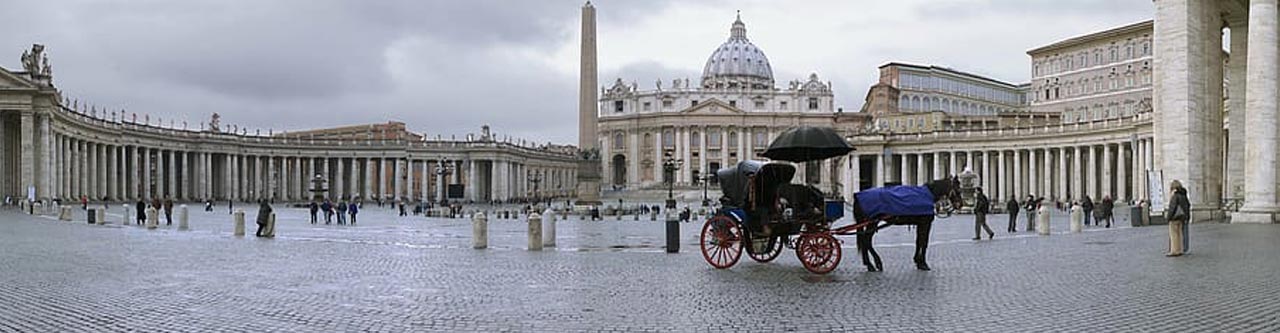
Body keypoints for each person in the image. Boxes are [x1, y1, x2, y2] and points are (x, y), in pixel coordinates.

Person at [1164, 180, 1190, 257]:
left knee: (1174, 234)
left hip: (1174, 217)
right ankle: (1181, 249)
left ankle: (1174, 250)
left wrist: (1168, 217)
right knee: (1180, 234)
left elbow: (1172, 207)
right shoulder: (1184, 195)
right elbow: (1187, 205)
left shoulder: (1175, 195)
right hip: (1182, 217)